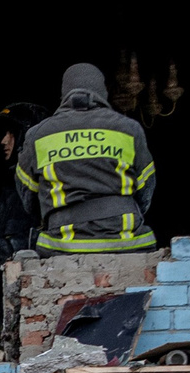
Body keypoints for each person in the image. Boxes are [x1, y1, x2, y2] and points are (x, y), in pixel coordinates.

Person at [17, 61, 160, 256]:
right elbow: (145, 191)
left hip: (63, 245)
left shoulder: (38, 135)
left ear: (63, 94)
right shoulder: (129, 129)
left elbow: (28, 199)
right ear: (103, 92)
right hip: (126, 241)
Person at [0, 100, 49, 281]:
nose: (4, 140)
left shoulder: (46, 181)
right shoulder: (7, 181)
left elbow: (52, 234)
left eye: (12, 133)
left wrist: (13, 246)